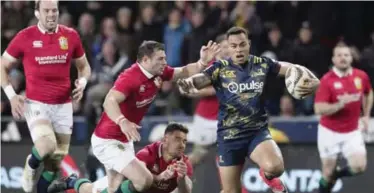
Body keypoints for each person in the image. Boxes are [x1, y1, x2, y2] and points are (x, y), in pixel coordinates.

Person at [47, 40, 218, 193]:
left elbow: (183, 71)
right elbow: (109, 101)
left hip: (123, 140)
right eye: (160, 59)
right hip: (107, 140)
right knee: (144, 180)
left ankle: (73, 182)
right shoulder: (130, 77)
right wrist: (123, 121)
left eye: (164, 58)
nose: (164, 62)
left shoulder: (158, 72)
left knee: (113, 188)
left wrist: (202, 62)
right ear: (145, 60)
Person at [177, 27, 319, 193]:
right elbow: (200, 80)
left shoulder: (261, 64)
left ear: (249, 45)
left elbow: (288, 67)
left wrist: (307, 75)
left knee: (276, 167)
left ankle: (268, 175)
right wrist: (188, 83)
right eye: (234, 46)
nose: (238, 49)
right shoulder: (219, 67)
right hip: (229, 136)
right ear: (228, 48)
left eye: (242, 44)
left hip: (256, 132)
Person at [0, 0, 91, 193]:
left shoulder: (70, 36)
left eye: (54, 10)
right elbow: (2, 65)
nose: (51, 14)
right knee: (46, 145)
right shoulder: (25, 37)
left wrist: (82, 83)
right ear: (37, 13)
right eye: (46, 11)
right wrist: (12, 95)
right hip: (36, 104)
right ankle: (30, 165)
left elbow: (84, 67)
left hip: (63, 106)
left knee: (53, 164)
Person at [48, 123, 193, 193]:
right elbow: (136, 179)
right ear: (165, 139)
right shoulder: (148, 153)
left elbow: (186, 191)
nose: (182, 145)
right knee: (89, 191)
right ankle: (72, 181)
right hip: (122, 183)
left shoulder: (183, 162)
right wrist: (160, 177)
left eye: (185, 141)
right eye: (177, 139)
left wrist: (182, 179)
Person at [314, 43, 373, 193]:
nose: (343, 58)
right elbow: (319, 109)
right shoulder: (327, 80)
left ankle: (337, 174)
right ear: (333, 59)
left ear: (351, 58)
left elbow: (368, 93)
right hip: (329, 132)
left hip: (352, 131)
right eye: (339, 55)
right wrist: (340, 105)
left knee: (359, 167)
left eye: (346, 55)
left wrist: (366, 115)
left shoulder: (361, 76)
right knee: (327, 174)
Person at [183, 34, 230, 166]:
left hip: (225, 121)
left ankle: (230, 186)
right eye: (224, 46)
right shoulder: (209, 66)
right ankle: (174, 179)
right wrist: (213, 90)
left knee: (229, 157)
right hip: (206, 119)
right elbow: (188, 89)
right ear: (218, 48)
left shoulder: (234, 67)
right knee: (197, 156)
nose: (227, 50)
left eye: (229, 46)